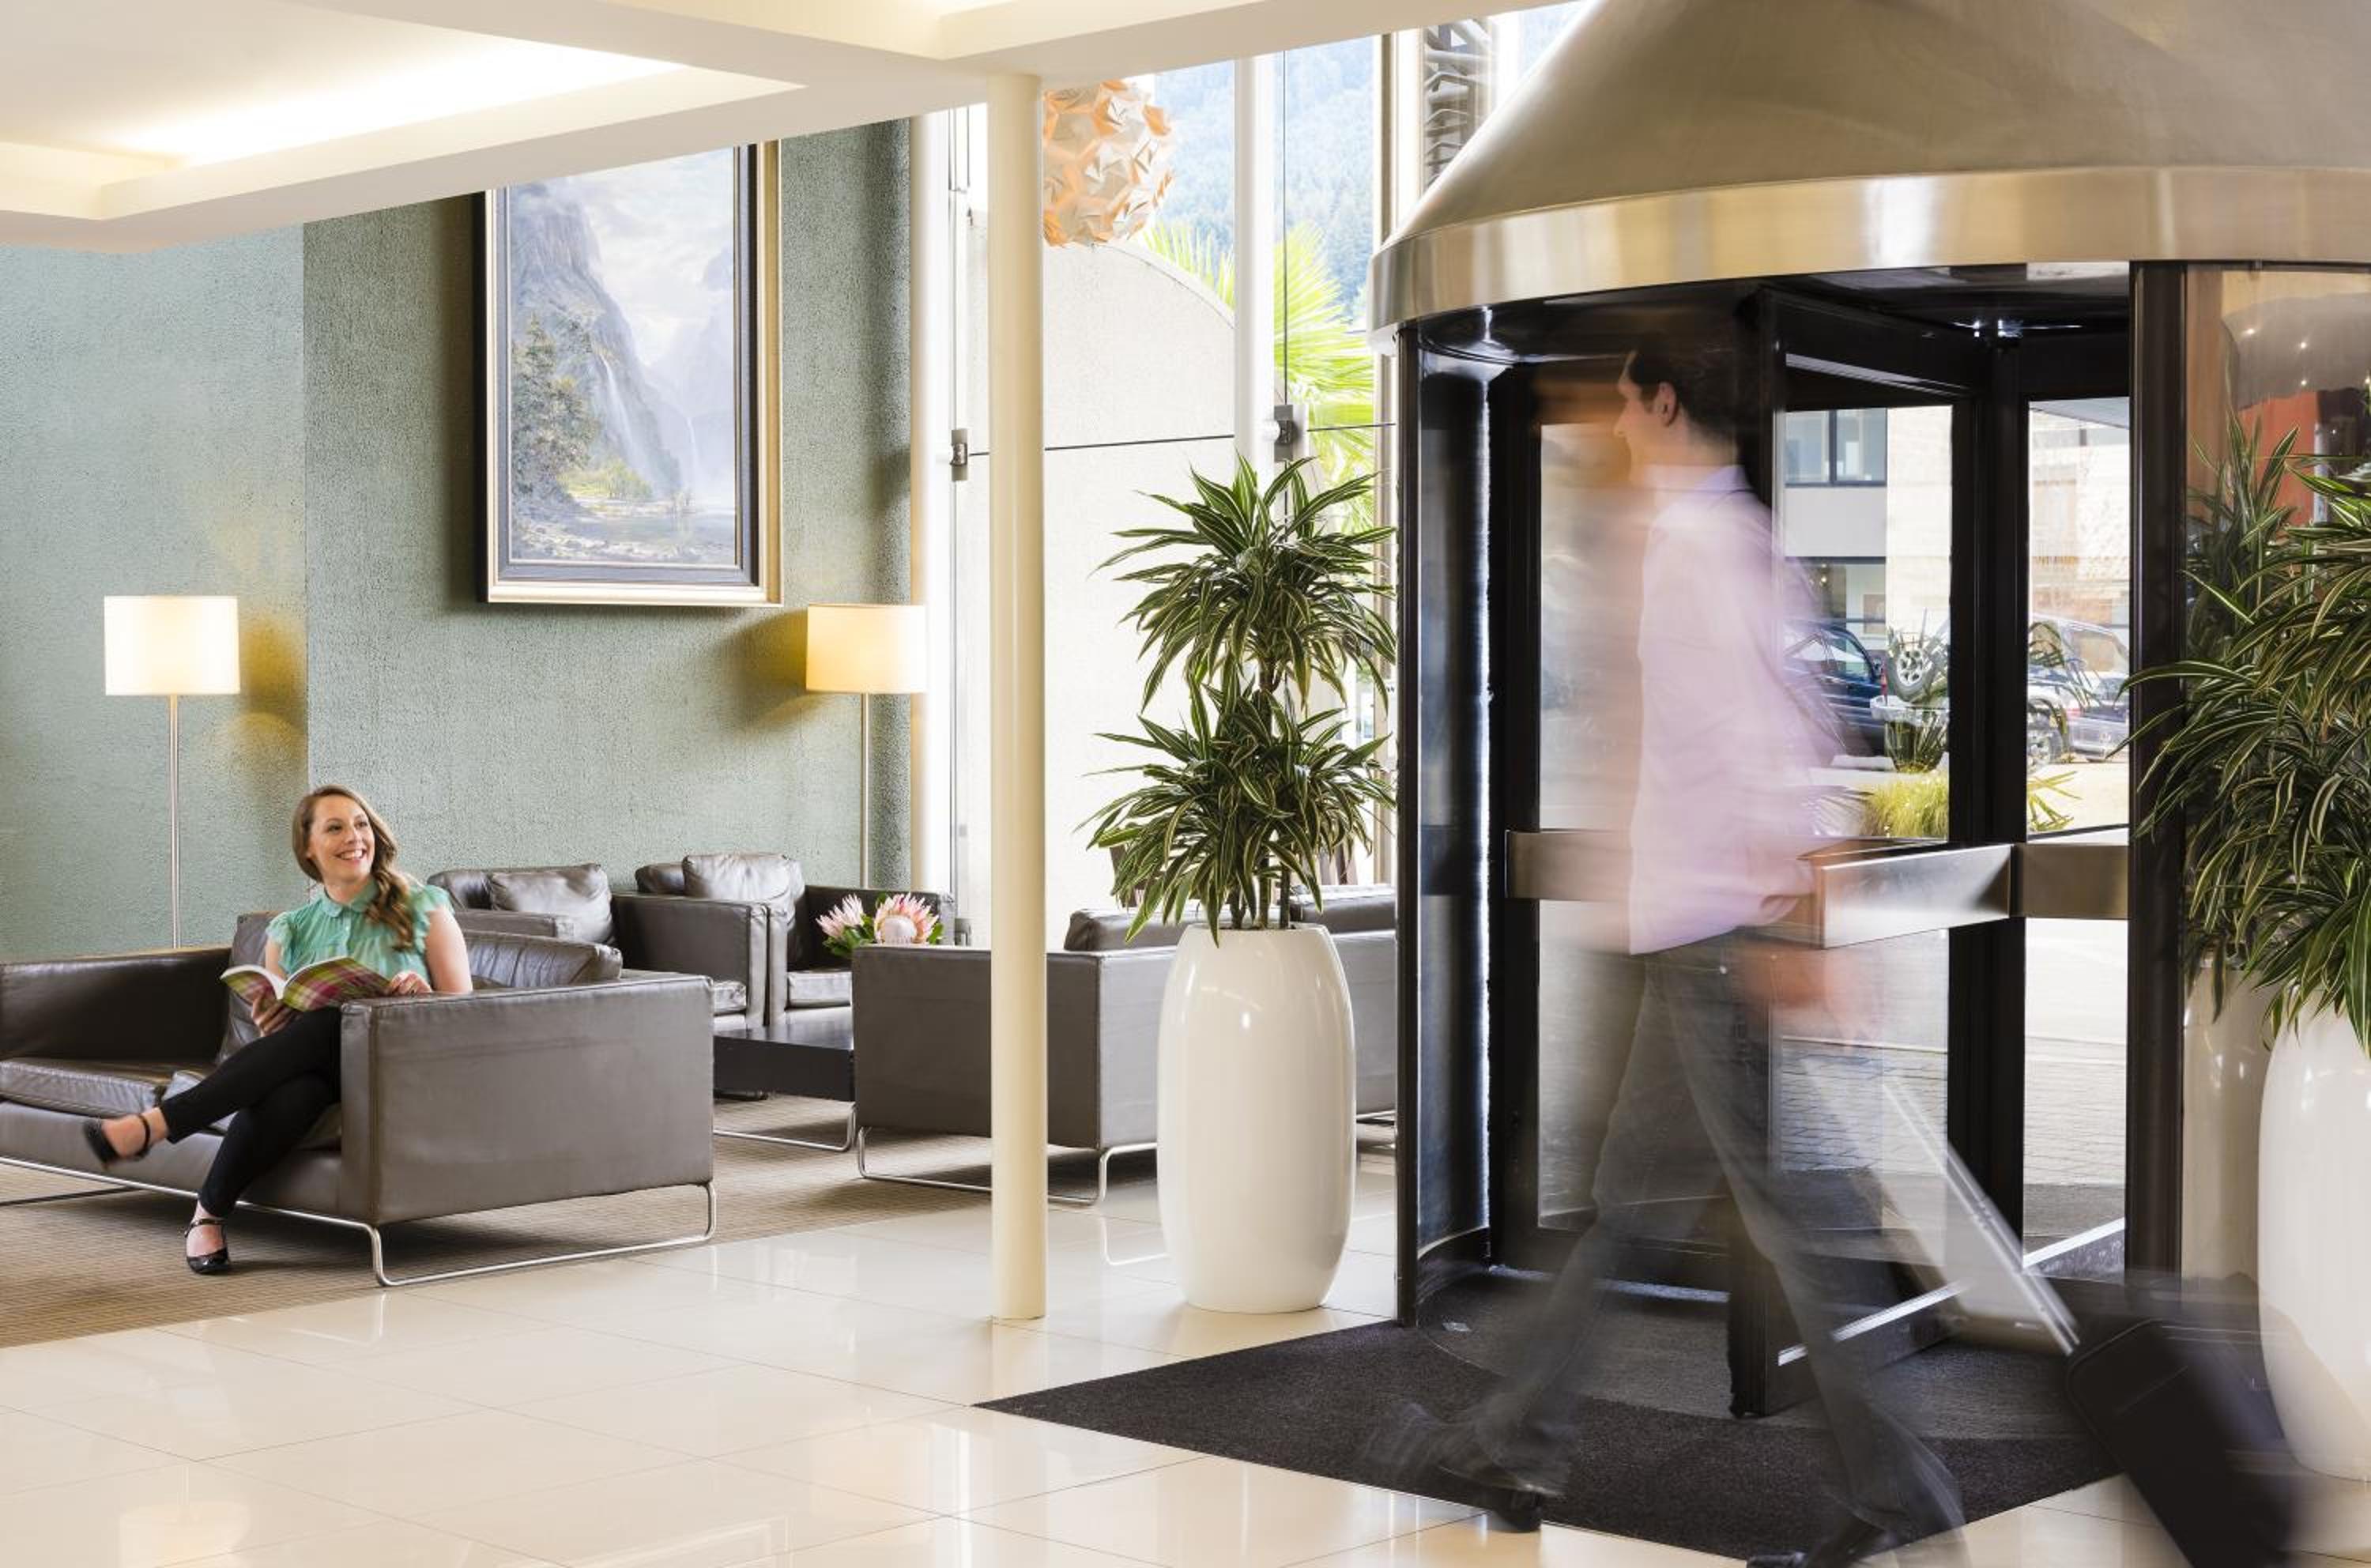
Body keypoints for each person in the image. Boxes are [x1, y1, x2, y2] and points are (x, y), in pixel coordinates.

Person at [1366, 337, 1966, 1568]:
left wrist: (1791, 920)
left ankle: (1904, 1496)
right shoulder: (1728, 537)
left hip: (1721, 938)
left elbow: (1757, 748)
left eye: (1626, 401)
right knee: (1631, 1209)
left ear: (1663, 399)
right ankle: (1515, 1440)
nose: (1614, 421)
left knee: (1792, 1221)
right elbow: (1806, 725)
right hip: (1700, 933)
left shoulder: (1697, 550)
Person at [81, 785, 470, 1273]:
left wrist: (423, 995)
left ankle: (157, 1124)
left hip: (403, 1064)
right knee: (295, 1092)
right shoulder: (290, 929)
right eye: (335, 828)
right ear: (308, 848)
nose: (355, 837)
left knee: (331, 1021)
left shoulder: (423, 906)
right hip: (325, 1072)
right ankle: (207, 1215)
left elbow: (466, 1011)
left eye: (361, 825)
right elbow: (283, 1043)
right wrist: (273, 1021)